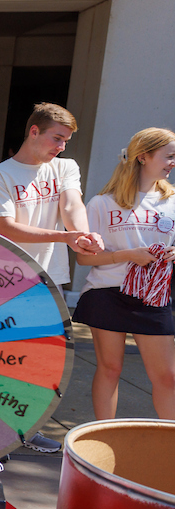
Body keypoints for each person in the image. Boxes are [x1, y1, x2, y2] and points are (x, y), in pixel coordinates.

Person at [0, 102, 103, 451]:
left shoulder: (64, 167)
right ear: (33, 131)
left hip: (48, 281)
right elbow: (6, 228)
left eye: (66, 141)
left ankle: (24, 428)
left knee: (38, 360)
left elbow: (71, 205)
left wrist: (81, 233)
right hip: (4, 283)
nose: (61, 146)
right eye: (57, 138)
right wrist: (66, 237)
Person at [73, 128, 175, 420]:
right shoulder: (102, 203)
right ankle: (105, 438)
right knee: (110, 368)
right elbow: (82, 258)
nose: (173, 162)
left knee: (167, 376)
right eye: (168, 156)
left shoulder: (171, 200)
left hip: (154, 296)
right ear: (144, 156)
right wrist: (128, 256)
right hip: (107, 292)